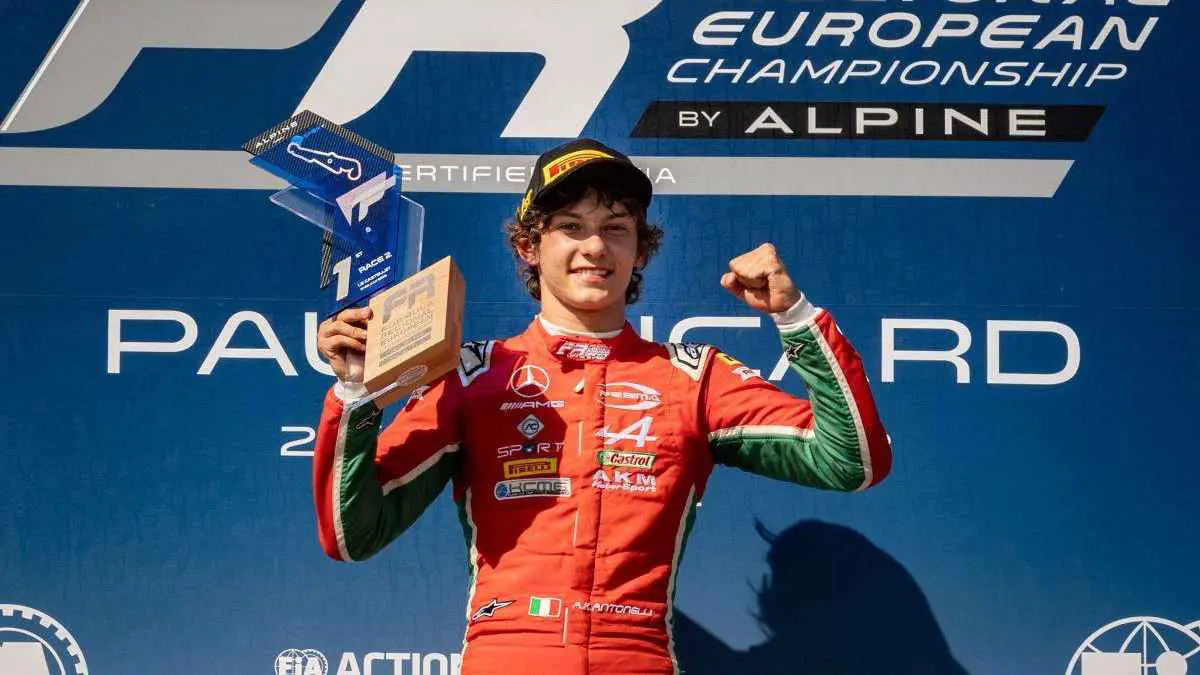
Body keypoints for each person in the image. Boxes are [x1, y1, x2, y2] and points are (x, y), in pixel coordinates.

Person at [312, 139, 892, 675]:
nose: (595, 247)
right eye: (571, 227)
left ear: (640, 251)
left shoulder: (694, 378)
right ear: (529, 246)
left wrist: (795, 316)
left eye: (616, 228)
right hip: (507, 654)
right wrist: (357, 396)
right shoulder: (474, 375)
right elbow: (350, 534)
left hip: (638, 656)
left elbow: (852, 461)